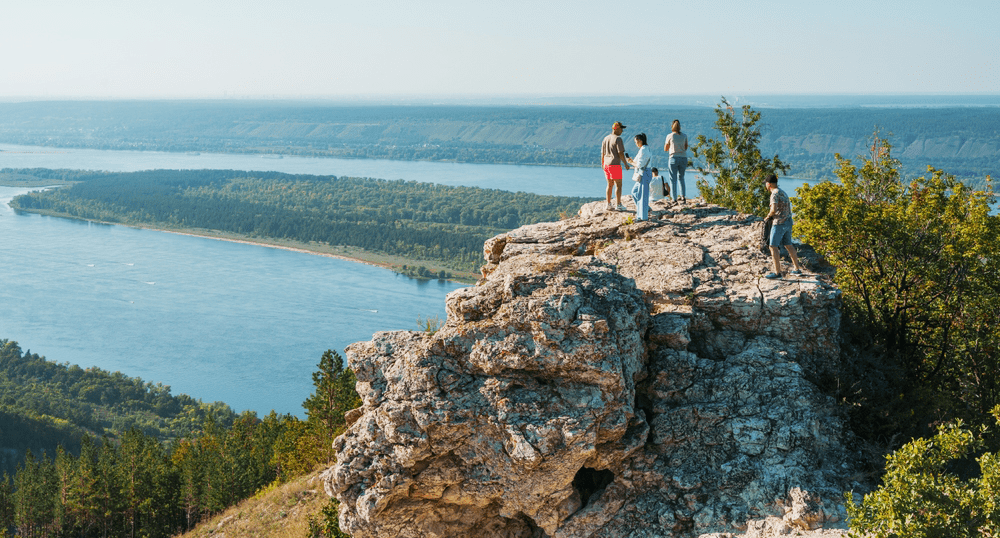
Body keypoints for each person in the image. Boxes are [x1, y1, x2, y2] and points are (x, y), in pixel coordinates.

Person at [763, 173, 805, 279]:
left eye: (766, 184)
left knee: (773, 246)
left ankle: (777, 273)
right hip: (788, 222)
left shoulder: (774, 194)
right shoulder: (783, 192)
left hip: (779, 223)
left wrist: (767, 217)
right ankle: (797, 269)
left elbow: (773, 209)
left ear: (769, 184)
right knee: (788, 244)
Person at [601, 121, 630, 211]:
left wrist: (602, 163)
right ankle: (618, 204)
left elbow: (603, 153)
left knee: (609, 184)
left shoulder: (606, 138)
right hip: (615, 164)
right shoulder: (618, 139)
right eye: (621, 129)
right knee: (618, 185)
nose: (622, 131)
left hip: (606, 164)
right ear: (617, 129)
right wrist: (625, 164)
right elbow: (620, 153)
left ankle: (608, 204)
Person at [626, 133, 652, 221]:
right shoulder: (644, 149)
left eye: (636, 142)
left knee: (643, 195)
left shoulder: (644, 150)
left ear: (640, 141)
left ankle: (643, 217)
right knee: (635, 192)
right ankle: (644, 210)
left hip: (644, 173)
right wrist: (632, 162)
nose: (636, 144)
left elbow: (639, 165)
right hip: (643, 173)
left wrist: (631, 162)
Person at [663, 119, 688, 203]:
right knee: (681, 177)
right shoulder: (684, 136)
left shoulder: (670, 136)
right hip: (683, 158)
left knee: (673, 179)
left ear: (672, 127)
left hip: (673, 157)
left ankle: (674, 198)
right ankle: (683, 196)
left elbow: (665, 149)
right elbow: (685, 147)